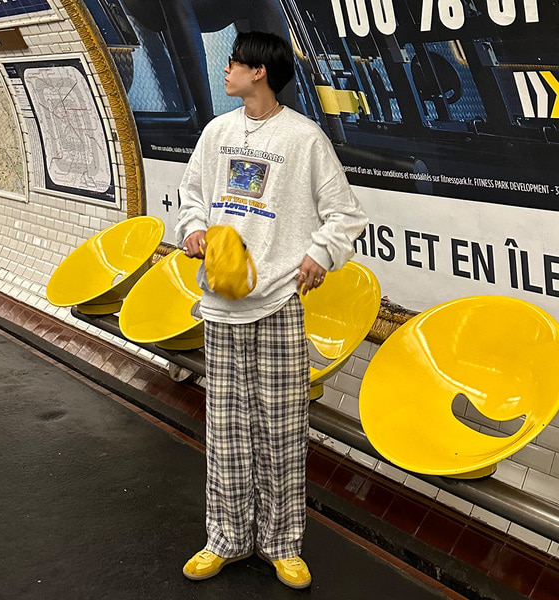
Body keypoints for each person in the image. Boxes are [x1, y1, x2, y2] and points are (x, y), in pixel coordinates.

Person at [176, 30, 368, 589]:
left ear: (259, 71)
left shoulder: (304, 138)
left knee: (282, 432)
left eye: (235, 62)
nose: (227, 70)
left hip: (278, 304)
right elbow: (192, 196)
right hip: (221, 307)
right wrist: (193, 229)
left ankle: (282, 545)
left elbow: (345, 214)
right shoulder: (217, 132)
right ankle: (226, 539)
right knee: (226, 433)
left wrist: (319, 255)